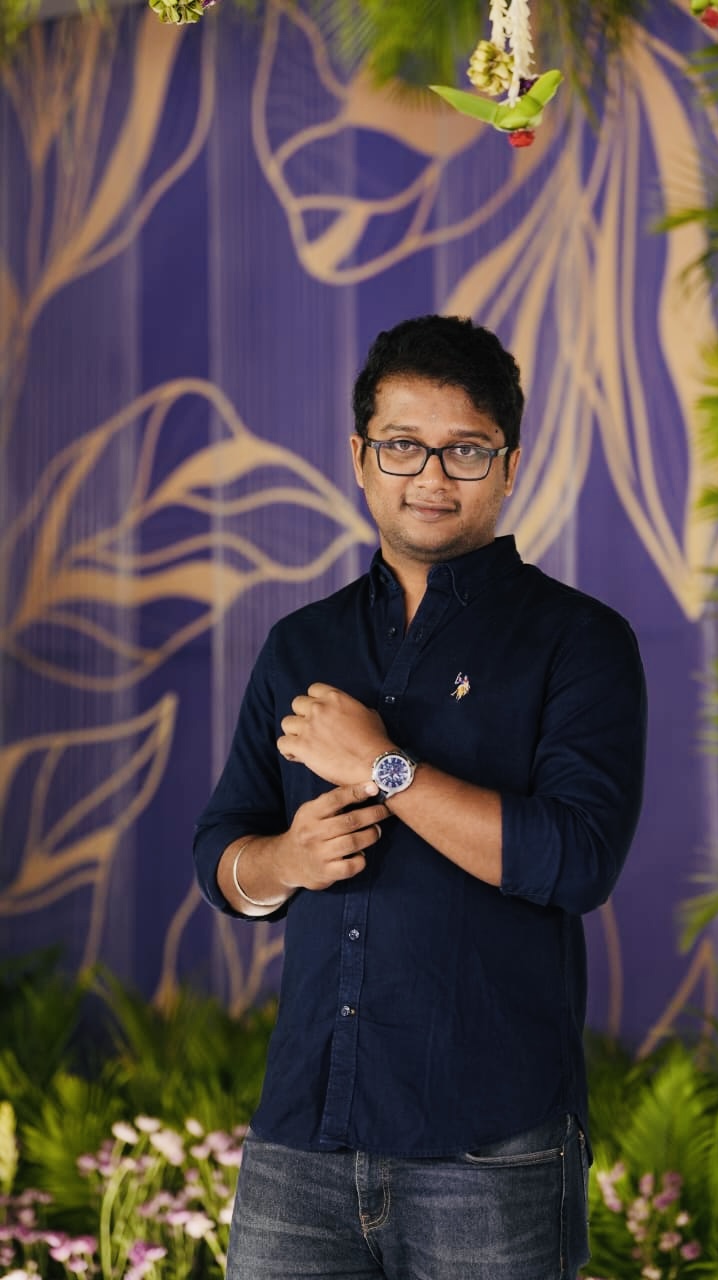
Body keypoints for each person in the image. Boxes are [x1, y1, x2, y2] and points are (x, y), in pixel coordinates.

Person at [193, 314, 647, 1280]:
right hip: (300, 1141)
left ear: (508, 466)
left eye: (465, 450)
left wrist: (382, 767)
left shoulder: (578, 640)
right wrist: (283, 861)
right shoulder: (300, 645)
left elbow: (575, 862)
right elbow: (222, 852)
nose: (431, 476)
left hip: (490, 1148)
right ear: (361, 457)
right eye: (402, 445)